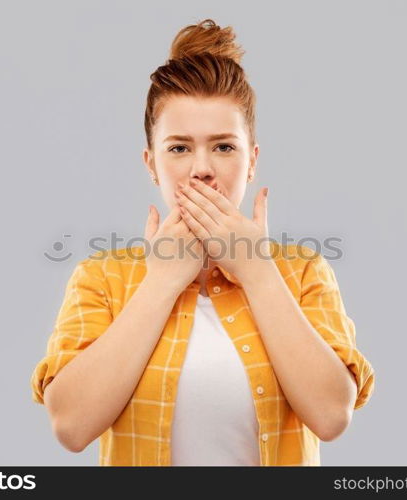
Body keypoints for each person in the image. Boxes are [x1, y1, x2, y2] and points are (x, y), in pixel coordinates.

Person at [30, 18, 375, 466]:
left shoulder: (303, 272)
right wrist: (160, 284)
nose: (202, 169)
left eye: (224, 147)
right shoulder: (102, 278)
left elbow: (331, 416)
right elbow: (71, 427)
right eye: (178, 148)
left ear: (251, 161)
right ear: (151, 164)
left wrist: (256, 271)